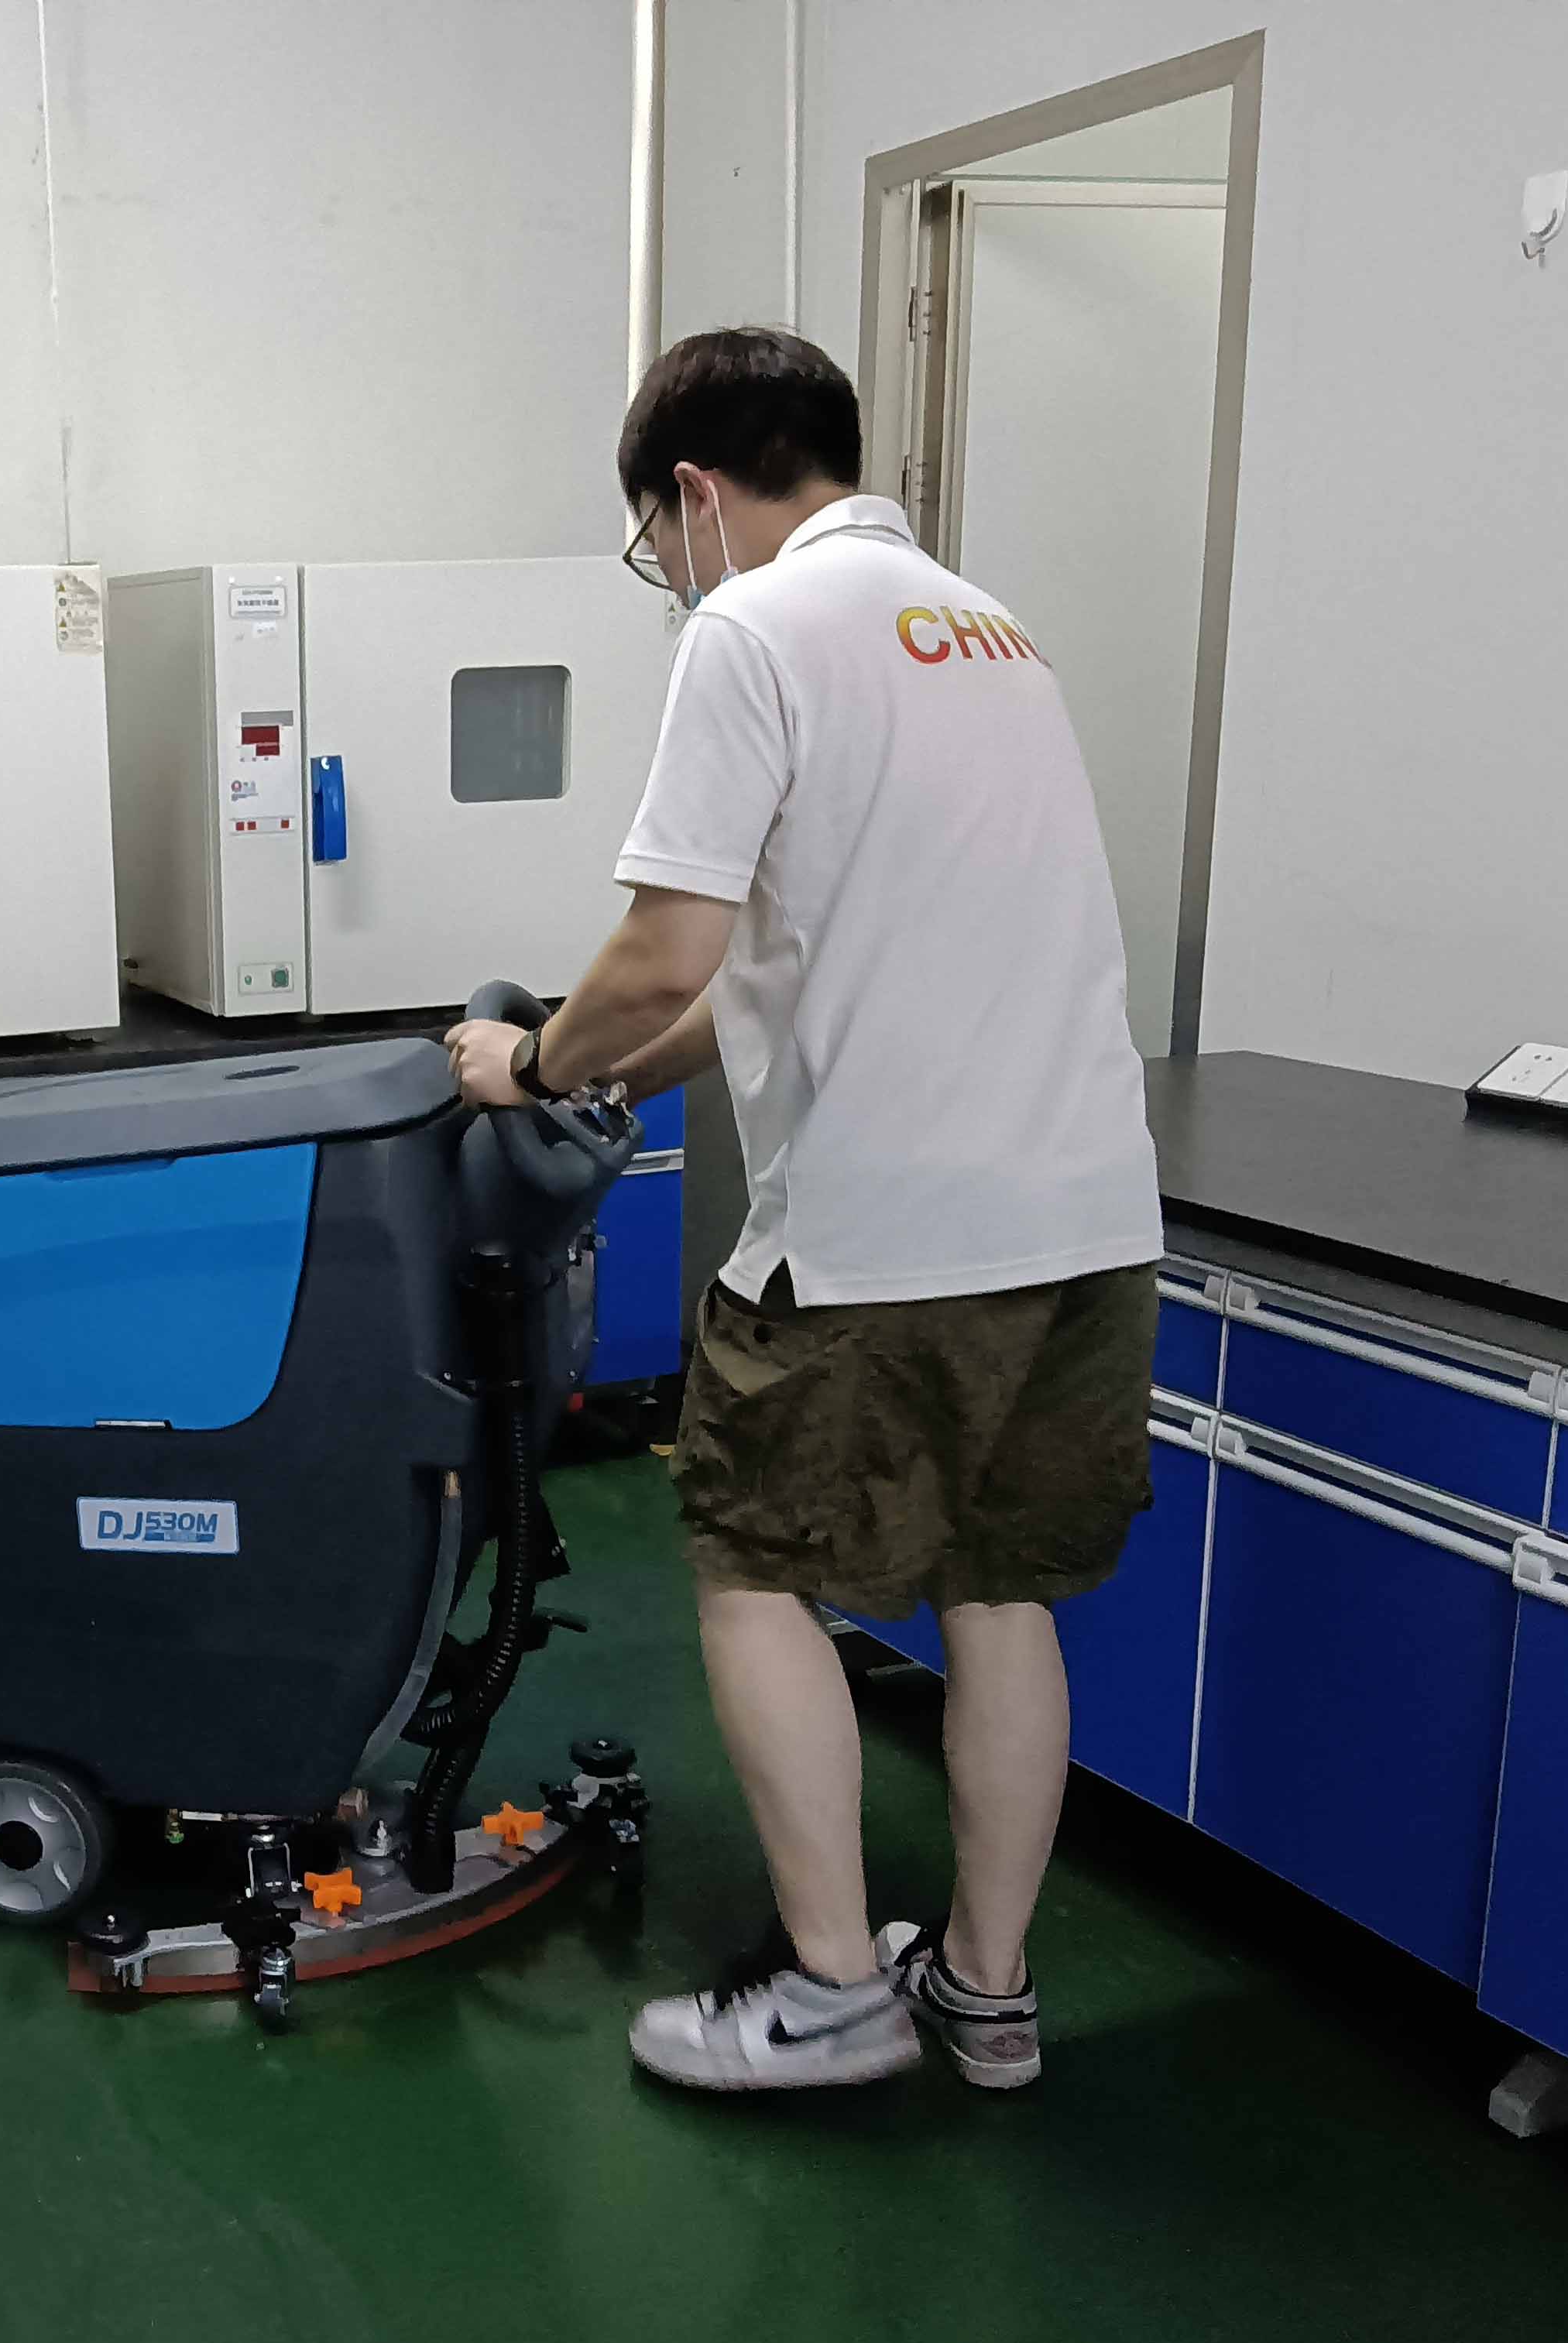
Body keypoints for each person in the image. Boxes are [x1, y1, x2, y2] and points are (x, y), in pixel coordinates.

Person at [447, 325, 1165, 2095]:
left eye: (654, 538)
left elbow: (663, 948)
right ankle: (982, 1993)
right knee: (998, 1595)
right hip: (1082, 1222)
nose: (668, 573)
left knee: (751, 1569)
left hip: (885, 1236)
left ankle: (834, 1990)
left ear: (694, 493)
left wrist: (532, 1062)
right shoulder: (990, 635)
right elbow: (782, 968)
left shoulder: (753, 630)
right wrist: (621, 1081)